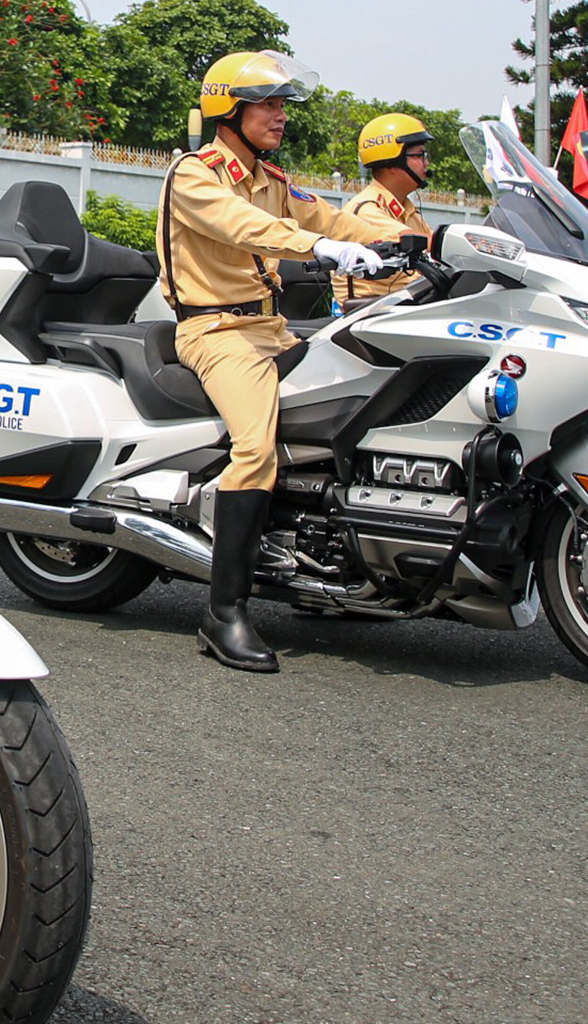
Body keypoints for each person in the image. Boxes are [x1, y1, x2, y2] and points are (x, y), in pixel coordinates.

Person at [156, 50, 405, 674]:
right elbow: (244, 227)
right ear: (229, 108)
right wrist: (321, 248)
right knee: (255, 449)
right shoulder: (195, 174)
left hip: (271, 327)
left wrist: (415, 242)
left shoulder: (272, 178)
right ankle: (224, 613)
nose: (280, 115)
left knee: (356, 402)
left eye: (282, 104)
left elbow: (333, 216)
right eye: (268, 103)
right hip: (216, 330)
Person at [335, 113, 434, 311]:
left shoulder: (407, 209)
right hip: (374, 316)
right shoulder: (366, 209)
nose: (426, 163)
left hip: (411, 305)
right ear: (392, 162)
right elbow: (427, 243)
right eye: (419, 155)